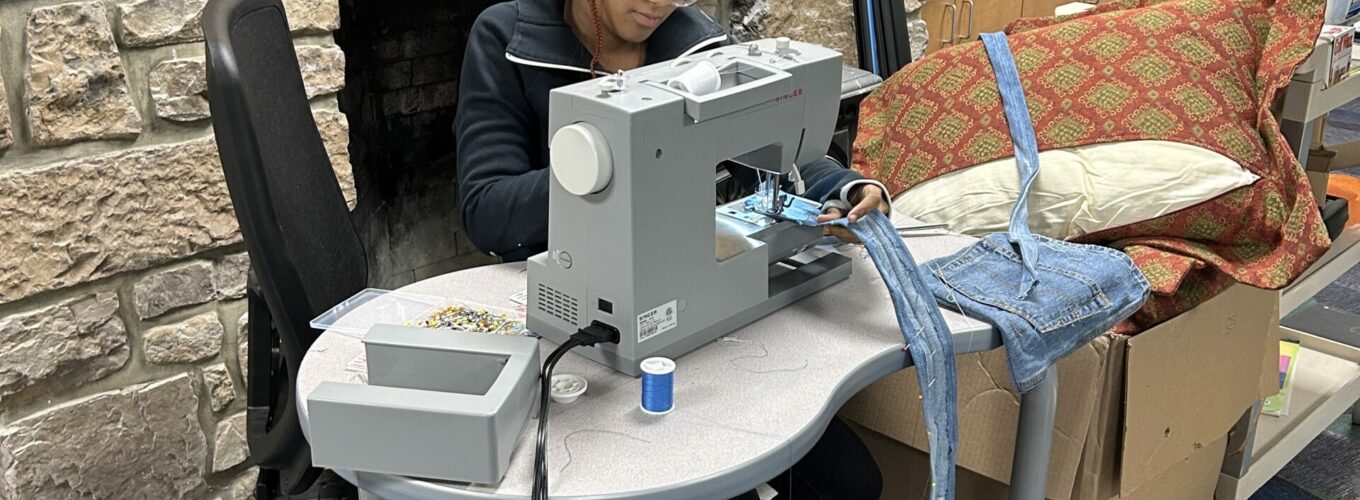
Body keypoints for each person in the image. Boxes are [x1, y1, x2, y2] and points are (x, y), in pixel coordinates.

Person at [455, 0, 886, 498]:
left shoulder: (695, 41)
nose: (661, 3)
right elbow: (487, 210)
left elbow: (773, 143)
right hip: (577, 342)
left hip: (687, 309)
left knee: (853, 484)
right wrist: (618, 159)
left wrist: (846, 190)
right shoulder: (509, 39)